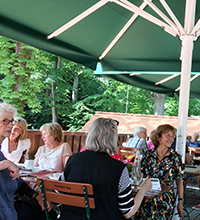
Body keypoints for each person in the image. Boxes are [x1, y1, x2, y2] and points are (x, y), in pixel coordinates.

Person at [60, 118, 152, 220]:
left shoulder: (73, 160)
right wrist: (143, 190)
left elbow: (58, 192)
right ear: (113, 138)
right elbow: (128, 212)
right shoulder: (118, 168)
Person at [0, 102, 57, 220]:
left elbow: (17, 182)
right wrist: (6, 163)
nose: (10, 126)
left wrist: (36, 196)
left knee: (49, 212)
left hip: (12, 204)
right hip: (5, 209)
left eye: (12, 121)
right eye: (5, 121)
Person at [139, 124, 184, 219]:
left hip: (165, 199)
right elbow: (141, 176)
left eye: (173, 136)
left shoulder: (175, 157)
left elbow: (179, 181)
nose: (171, 139)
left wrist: (180, 201)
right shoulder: (148, 156)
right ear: (159, 137)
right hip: (147, 196)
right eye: (168, 135)